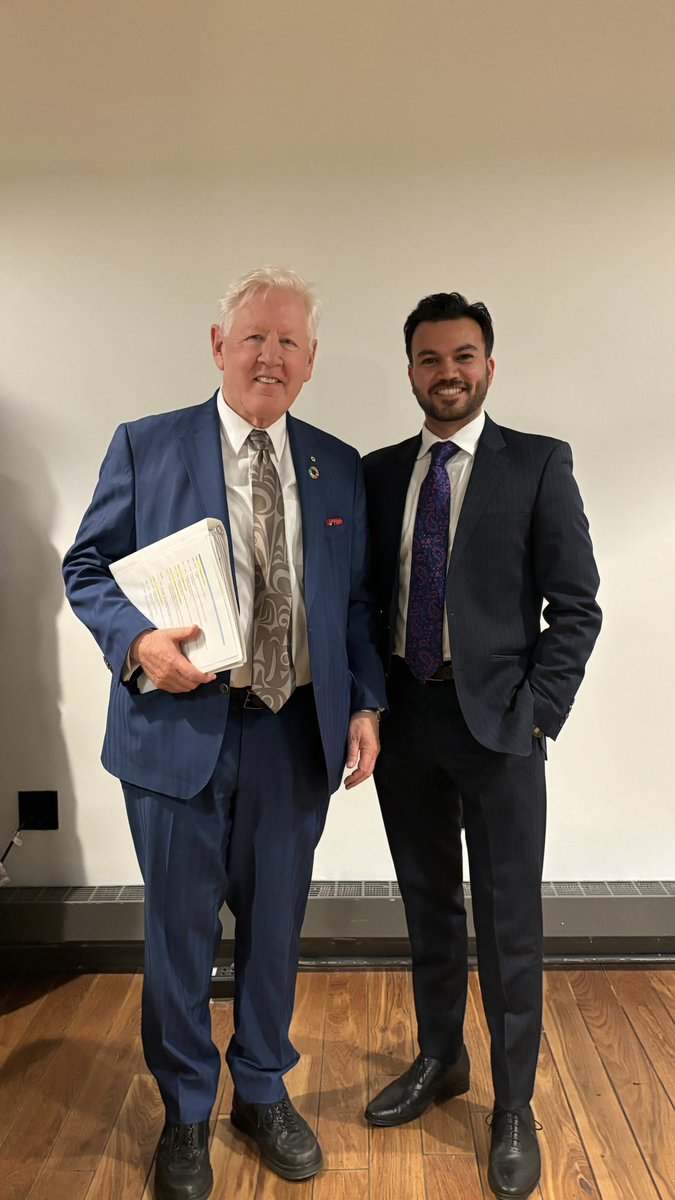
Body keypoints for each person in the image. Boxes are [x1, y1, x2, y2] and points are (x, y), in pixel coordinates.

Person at [63, 267, 386, 1200]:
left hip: (294, 737)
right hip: (176, 732)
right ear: (218, 347)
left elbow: (355, 605)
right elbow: (87, 568)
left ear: (311, 362)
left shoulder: (335, 464)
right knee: (178, 935)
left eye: (289, 342)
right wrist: (136, 644)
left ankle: (260, 1090)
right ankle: (184, 1113)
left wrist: (363, 702)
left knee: (276, 930)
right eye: (253, 337)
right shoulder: (145, 445)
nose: (269, 356)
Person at [362, 292, 601, 1200]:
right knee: (428, 908)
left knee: (508, 925)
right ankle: (440, 1059)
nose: (447, 373)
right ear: (411, 370)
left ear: (488, 368)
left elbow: (575, 604)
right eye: (429, 358)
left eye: (463, 356)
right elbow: (362, 601)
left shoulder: (537, 465)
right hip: (407, 721)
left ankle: (512, 1105)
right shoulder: (383, 475)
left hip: (501, 728)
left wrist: (539, 710)